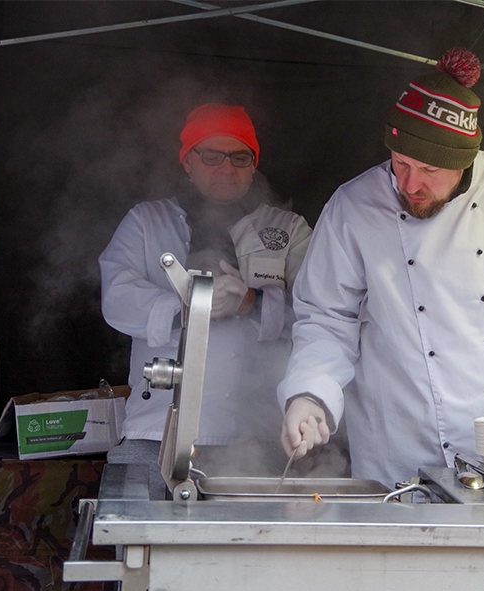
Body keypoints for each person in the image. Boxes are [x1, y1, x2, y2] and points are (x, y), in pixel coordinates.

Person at [277, 48, 484, 487]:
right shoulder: (352, 208)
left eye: (429, 169)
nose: (411, 184)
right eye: (401, 164)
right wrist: (310, 394)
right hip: (399, 453)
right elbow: (326, 318)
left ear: (466, 160)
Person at [99, 103, 330, 499]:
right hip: (155, 430)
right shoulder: (146, 222)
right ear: (187, 162)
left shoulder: (288, 229)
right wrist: (186, 306)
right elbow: (116, 299)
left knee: (247, 554)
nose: (227, 168)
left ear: (254, 164)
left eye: (240, 157)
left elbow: (321, 314)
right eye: (211, 156)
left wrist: (253, 304)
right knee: (140, 548)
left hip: (255, 435)